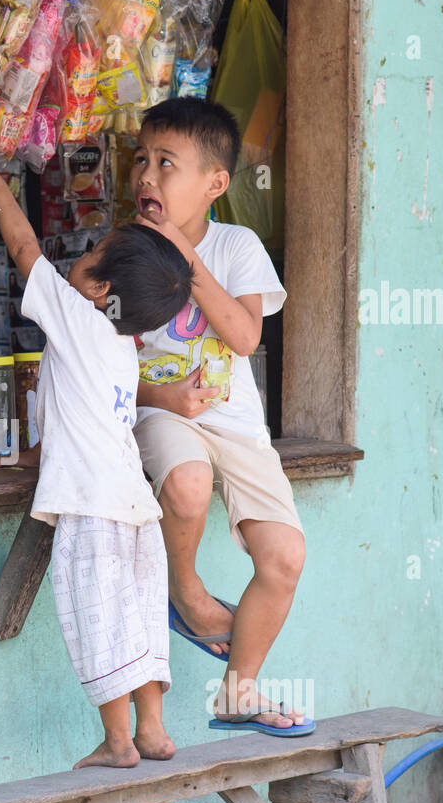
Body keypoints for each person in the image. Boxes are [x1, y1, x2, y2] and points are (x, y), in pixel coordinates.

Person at [0, 138, 193, 770]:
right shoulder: (124, 347)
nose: (82, 257)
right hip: (135, 508)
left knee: (100, 621)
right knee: (140, 621)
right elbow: (78, 421)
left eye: (92, 254)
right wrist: (29, 459)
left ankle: (118, 741)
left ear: (104, 290)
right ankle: (151, 730)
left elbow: (23, 250)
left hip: (93, 511)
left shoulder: (80, 318)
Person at [131, 97, 313, 737]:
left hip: (234, 423)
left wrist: (184, 255)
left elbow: (241, 336)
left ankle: (239, 693)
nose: (147, 176)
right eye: (142, 160)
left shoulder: (238, 246)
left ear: (214, 184)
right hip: (161, 409)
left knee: (285, 557)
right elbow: (105, 366)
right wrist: (162, 400)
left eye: (166, 164)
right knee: (185, 484)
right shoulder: (126, 254)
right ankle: (186, 592)